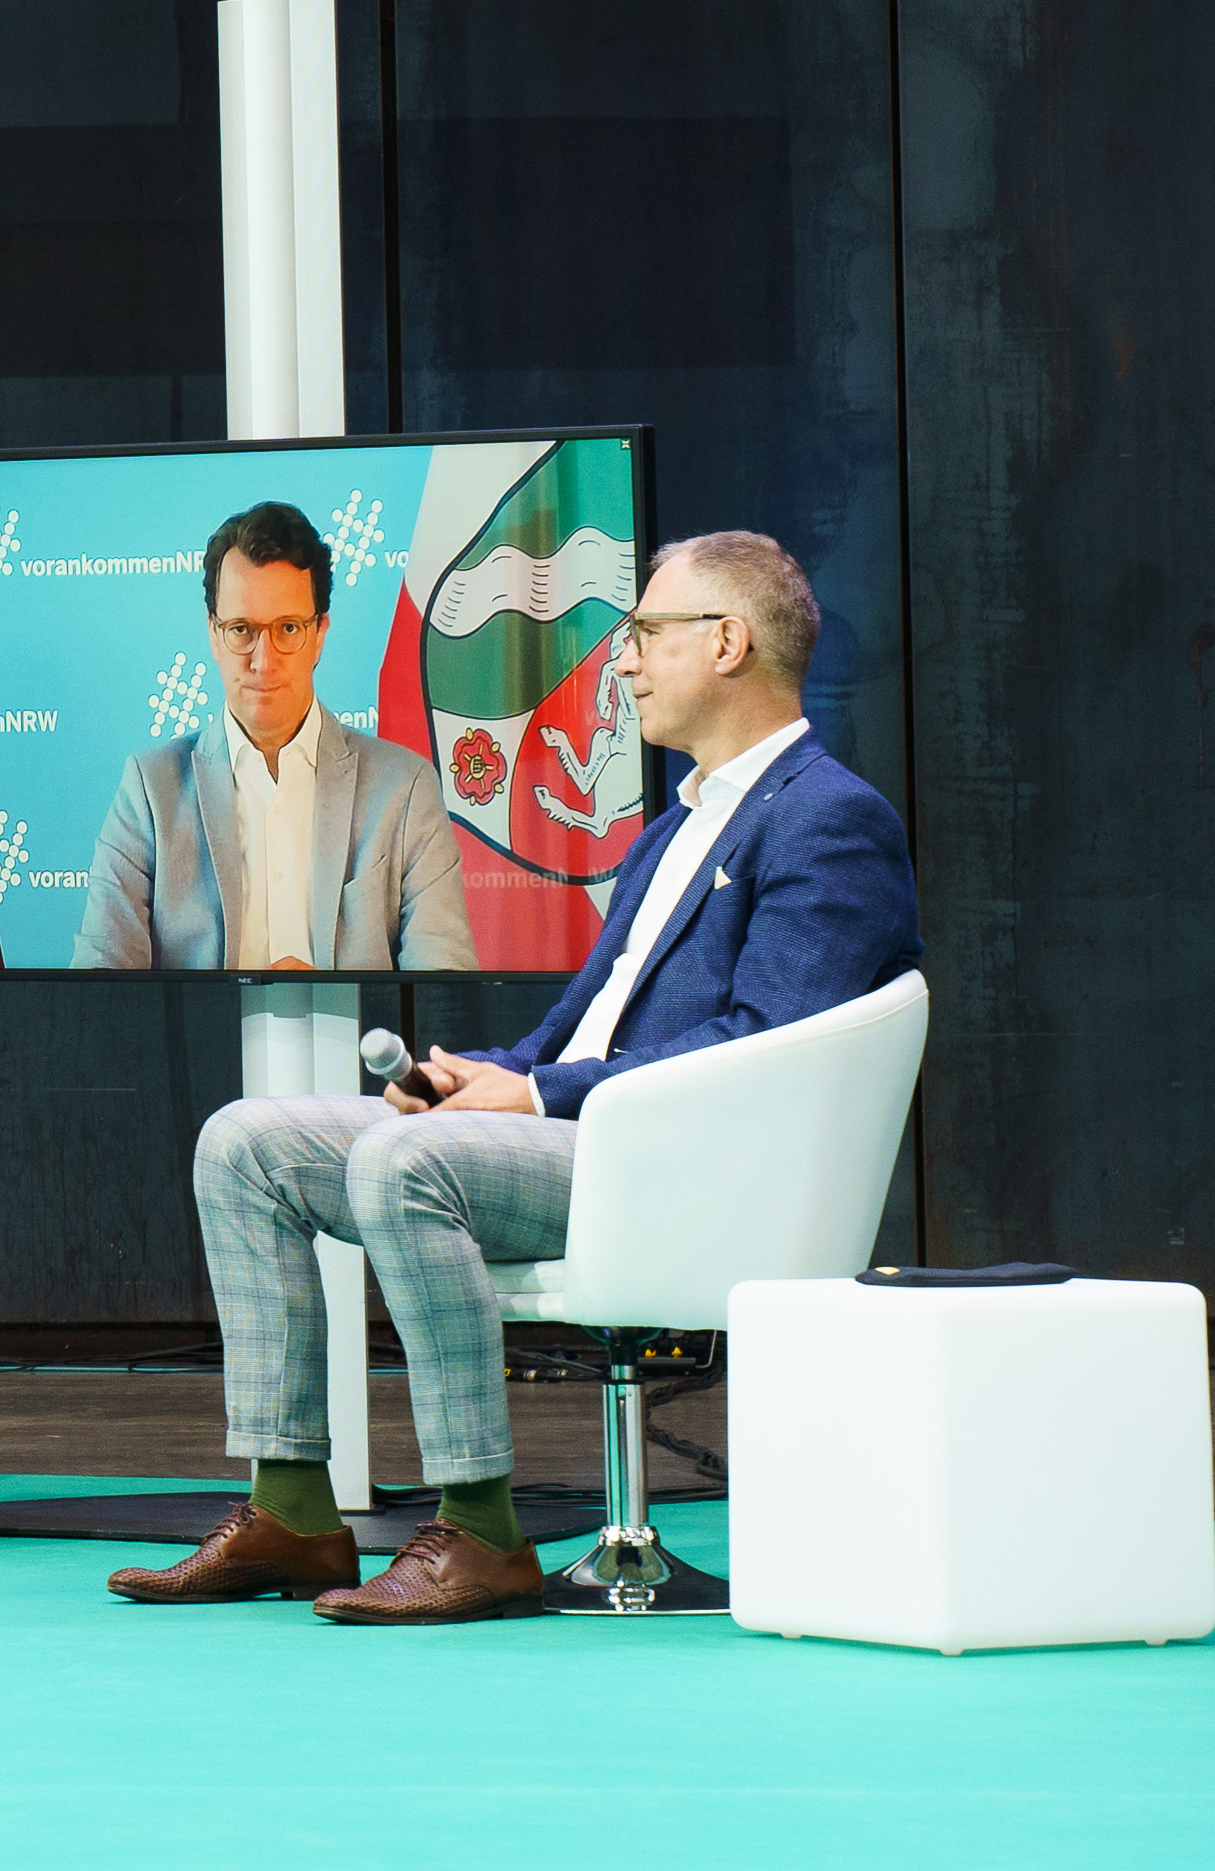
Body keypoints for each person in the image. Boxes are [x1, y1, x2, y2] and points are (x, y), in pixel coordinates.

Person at [109, 530, 919, 1623]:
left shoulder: (828, 818)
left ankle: (481, 1534)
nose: (619, 662)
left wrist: (534, 1097)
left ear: (725, 642)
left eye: (640, 633)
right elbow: (572, 1030)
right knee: (243, 1143)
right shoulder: (673, 823)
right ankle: (291, 1510)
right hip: (596, 1132)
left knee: (403, 1164)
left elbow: (757, 1040)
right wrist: (476, 1077)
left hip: (684, 1165)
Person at [75, 502, 475, 971]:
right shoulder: (149, 789)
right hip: (206, 1045)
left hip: (353, 1044)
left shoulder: (404, 789)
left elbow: (445, 986)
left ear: (320, 632)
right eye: (241, 630)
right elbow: (99, 986)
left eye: (288, 628)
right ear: (212, 633)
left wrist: (331, 1004)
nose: (263, 661)